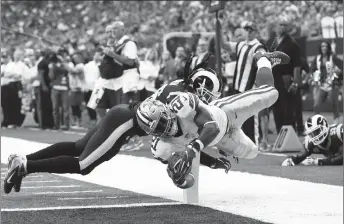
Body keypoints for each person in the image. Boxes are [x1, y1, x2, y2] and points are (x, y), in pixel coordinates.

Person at [3, 54, 231, 194]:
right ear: (202, 87)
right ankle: (25, 166)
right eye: (210, 92)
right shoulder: (185, 100)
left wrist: (209, 161)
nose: (210, 98)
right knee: (83, 164)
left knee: (77, 148)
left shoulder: (180, 87)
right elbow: (196, 135)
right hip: (127, 121)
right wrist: (207, 159)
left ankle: (23, 161)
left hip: (123, 116)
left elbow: (180, 140)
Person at [137, 51, 290, 188]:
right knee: (252, 152)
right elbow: (184, 170)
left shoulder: (182, 104)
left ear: (165, 109)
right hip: (221, 140)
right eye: (158, 129)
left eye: (162, 121)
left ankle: (263, 59)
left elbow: (211, 127)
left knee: (271, 93)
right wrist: (187, 175)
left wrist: (191, 151)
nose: (164, 128)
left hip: (227, 113)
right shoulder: (161, 148)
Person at [221, 21, 266, 148]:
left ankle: (254, 144)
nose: (249, 32)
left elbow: (262, 60)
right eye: (247, 30)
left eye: (251, 30)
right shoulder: (241, 45)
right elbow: (224, 45)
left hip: (250, 88)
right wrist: (219, 29)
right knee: (239, 118)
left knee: (251, 119)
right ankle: (242, 144)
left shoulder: (258, 47)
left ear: (256, 32)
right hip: (238, 87)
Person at [310, 41, 343, 123]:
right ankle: (316, 124)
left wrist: (338, 72)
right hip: (322, 85)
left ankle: (336, 123)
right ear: (320, 48)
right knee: (316, 105)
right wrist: (315, 77)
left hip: (333, 84)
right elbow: (312, 69)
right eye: (322, 46)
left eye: (325, 46)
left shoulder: (333, 57)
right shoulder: (317, 58)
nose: (324, 48)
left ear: (328, 48)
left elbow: (342, 66)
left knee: (334, 104)